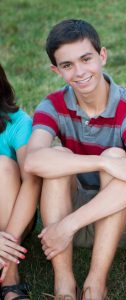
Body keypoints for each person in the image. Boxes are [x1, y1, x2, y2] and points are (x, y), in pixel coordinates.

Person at [24, 19, 126, 299]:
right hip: (69, 210)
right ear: (56, 70)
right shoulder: (52, 104)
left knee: (118, 156)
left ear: (102, 56)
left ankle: (95, 284)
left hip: (118, 225)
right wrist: (101, 162)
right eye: (67, 65)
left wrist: (67, 226)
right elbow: (32, 162)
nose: (80, 72)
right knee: (57, 156)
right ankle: (64, 284)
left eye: (86, 59)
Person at [0, 64, 41, 300]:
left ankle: (10, 277)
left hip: (12, 218)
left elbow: (32, 182)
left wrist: (7, 240)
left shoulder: (18, 122)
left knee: (4, 166)